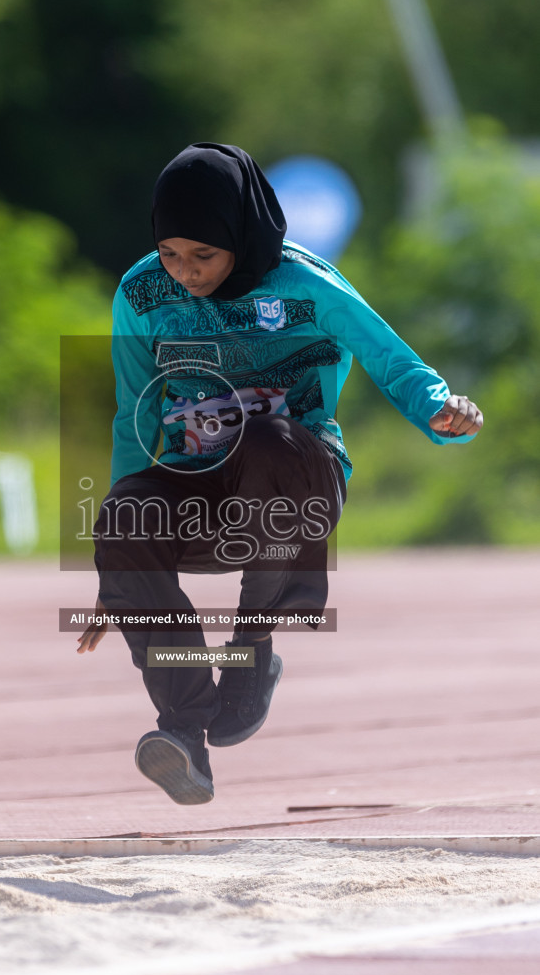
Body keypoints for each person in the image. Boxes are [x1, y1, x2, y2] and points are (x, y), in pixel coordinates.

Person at [75, 142, 483, 806]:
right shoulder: (141, 292)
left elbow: (390, 358)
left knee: (264, 441)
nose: (185, 273)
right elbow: (133, 417)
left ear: (242, 233)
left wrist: (437, 407)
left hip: (295, 477)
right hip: (200, 486)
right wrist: (117, 564)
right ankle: (182, 731)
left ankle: (251, 647)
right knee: (123, 520)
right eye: (172, 254)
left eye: (203, 255)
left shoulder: (303, 283)